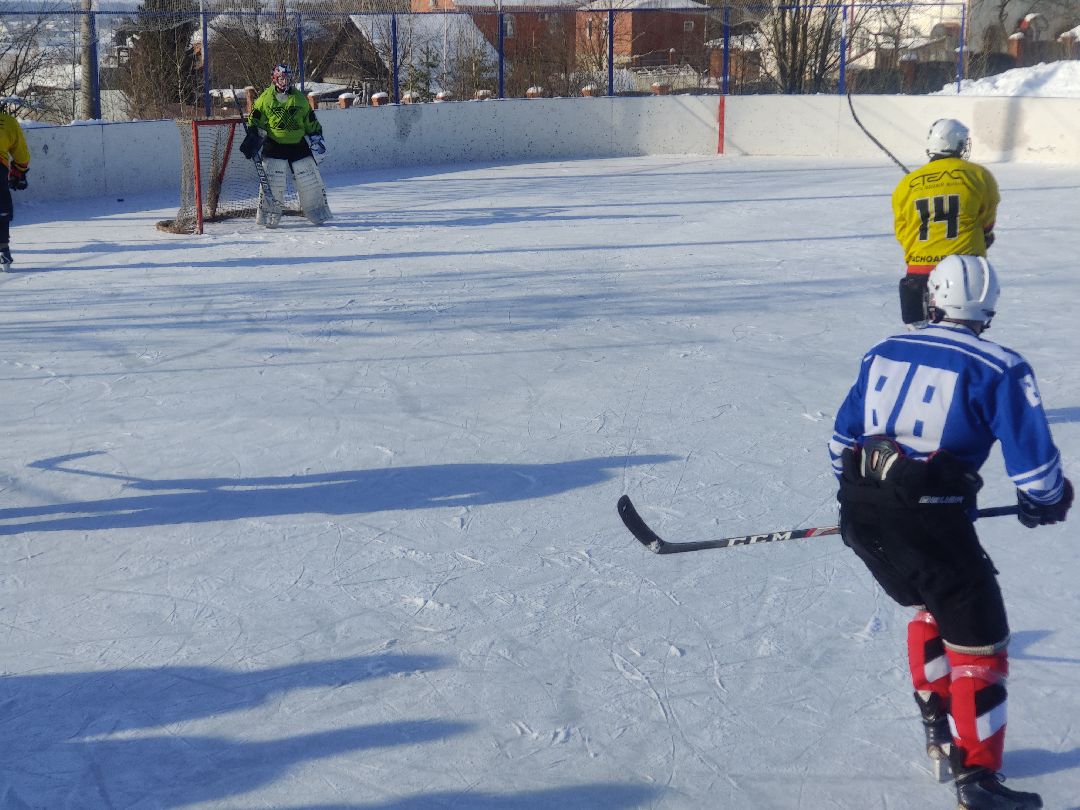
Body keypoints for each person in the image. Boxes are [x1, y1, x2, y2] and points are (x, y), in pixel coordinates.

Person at [829, 254, 1071, 809]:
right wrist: (1048, 501)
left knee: (933, 606)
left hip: (865, 518)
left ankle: (938, 731)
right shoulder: (1000, 366)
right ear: (989, 309)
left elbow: (841, 443)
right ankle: (977, 780)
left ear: (931, 299)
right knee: (980, 640)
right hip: (931, 523)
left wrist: (873, 502)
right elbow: (1035, 469)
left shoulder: (882, 349)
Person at [891, 119, 1000, 327]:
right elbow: (987, 220)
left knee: (919, 339)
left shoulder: (906, 184)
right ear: (958, 144)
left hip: (918, 274)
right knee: (963, 336)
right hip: (964, 274)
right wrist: (985, 237)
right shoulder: (979, 175)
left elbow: (903, 231)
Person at [239, 64, 331, 227]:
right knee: (273, 182)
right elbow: (255, 120)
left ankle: (317, 210)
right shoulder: (265, 99)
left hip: (298, 144)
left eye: (287, 78)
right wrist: (253, 135)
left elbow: (310, 120)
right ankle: (269, 213)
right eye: (281, 78)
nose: (284, 81)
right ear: (274, 79)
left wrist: (316, 136)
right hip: (275, 145)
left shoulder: (300, 99)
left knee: (310, 179)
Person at [0, 105, 30, 271]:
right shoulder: (8, 122)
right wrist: (19, 170)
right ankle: (4, 251)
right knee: (1, 209)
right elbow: (22, 154)